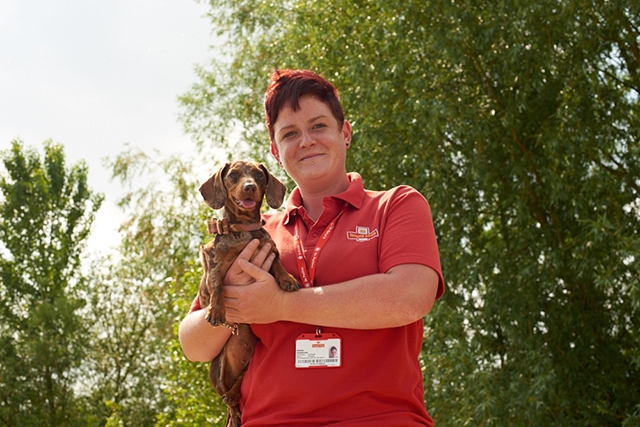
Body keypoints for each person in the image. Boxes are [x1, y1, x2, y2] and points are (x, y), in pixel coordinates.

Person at [179, 69, 445, 426]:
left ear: (345, 133)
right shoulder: (254, 236)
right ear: (275, 151)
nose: (306, 141)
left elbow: (410, 297)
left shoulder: (396, 206)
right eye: (290, 133)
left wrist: (280, 304)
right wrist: (233, 299)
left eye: (318, 126)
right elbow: (193, 346)